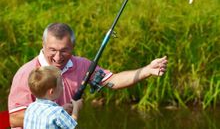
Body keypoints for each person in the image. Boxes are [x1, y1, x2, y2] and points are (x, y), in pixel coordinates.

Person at [8, 23, 168, 128]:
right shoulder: (27, 73)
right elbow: (12, 118)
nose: (58, 57)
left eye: (64, 51)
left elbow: (112, 81)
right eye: (52, 50)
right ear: (43, 45)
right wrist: (57, 114)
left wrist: (147, 70)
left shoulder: (82, 65)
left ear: (73, 47)